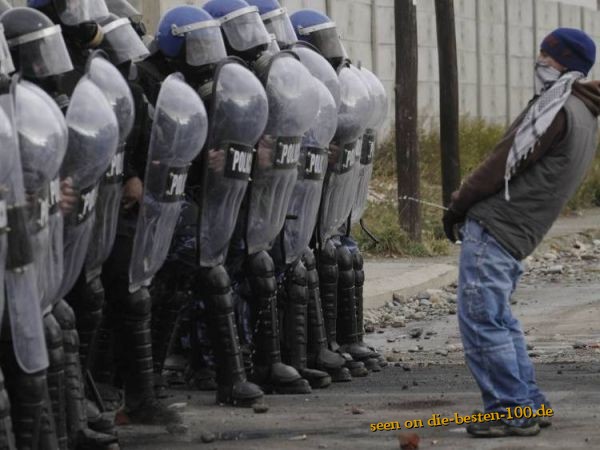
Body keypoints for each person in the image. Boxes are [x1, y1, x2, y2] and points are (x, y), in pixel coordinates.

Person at [442, 27, 600, 437]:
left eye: (544, 55)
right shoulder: (584, 115)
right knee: (498, 319)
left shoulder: (555, 109)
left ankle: (510, 409)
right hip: (521, 231)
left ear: (559, 60)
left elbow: (500, 162)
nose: (539, 62)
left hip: (496, 226)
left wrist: (458, 205)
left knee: (482, 321)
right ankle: (527, 400)